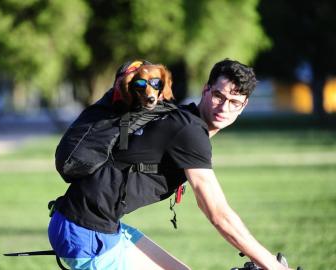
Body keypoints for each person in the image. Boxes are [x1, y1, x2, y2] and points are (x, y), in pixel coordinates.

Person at [49, 59, 292, 270]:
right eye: (219, 96)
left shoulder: (181, 118)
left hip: (91, 224)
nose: (224, 107)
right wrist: (270, 264)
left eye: (234, 101)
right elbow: (218, 213)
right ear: (206, 90)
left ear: (244, 105)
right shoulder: (189, 131)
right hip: (85, 232)